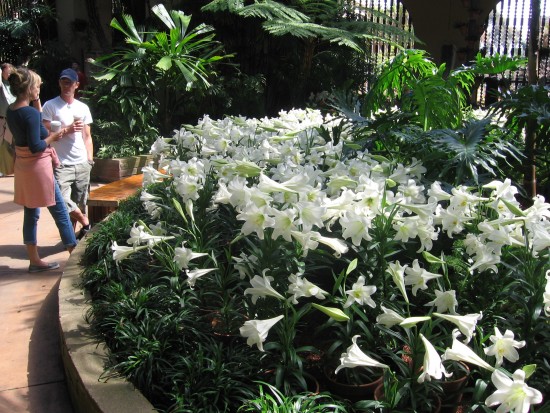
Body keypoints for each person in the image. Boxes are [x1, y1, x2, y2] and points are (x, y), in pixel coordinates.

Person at [6, 66, 77, 272]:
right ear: (28, 88)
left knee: (31, 212)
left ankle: (34, 259)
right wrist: (53, 137)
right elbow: (36, 145)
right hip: (38, 167)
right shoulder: (30, 113)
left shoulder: (12, 111)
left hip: (24, 166)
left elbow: (31, 128)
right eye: (37, 86)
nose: (39, 89)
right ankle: (74, 257)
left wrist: (36, 103)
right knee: (61, 210)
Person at [42, 68, 93, 239]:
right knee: (62, 201)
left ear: (77, 85)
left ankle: (72, 240)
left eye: (70, 82)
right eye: (63, 81)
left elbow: (87, 136)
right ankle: (86, 222)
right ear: (59, 83)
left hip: (81, 161)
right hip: (61, 163)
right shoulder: (50, 106)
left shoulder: (83, 108)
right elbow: (46, 134)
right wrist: (68, 129)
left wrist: (89, 159)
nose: (66, 85)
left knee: (80, 203)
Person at [1, 62, 16, 177]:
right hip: (3, 120)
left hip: (15, 118)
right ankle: (4, 169)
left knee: (16, 144)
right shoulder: (1, 85)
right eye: (7, 70)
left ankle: (15, 168)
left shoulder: (14, 85)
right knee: (4, 145)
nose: (10, 72)